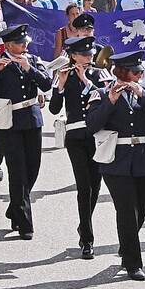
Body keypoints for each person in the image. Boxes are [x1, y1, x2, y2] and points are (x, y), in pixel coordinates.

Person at [85, 49, 145, 280]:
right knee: (126, 210)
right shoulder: (100, 92)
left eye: (141, 71)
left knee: (143, 206)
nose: (140, 75)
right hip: (116, 159)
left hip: (143, 156)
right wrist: (110, 100)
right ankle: (133, 263)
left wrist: (142, 94)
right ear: (123, 72)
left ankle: (127, 243)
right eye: (136, 72)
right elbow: (92, 125)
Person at [0, 24, 53, 240]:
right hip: (9, 122)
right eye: (20, 43)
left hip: (31, 119)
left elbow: (47, 84)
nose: (24, 45)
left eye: (25, 42)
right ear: (9, 45)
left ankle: (15, 208)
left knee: (33, 169)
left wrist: (30, 69)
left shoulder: (33, 60)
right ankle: (25, 222)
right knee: (17, 171)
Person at [49, 36, 112, 259]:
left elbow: (107, 100)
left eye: (90, 54)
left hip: (97, 136)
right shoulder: (64, 76)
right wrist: (60, 85)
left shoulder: (99, 75)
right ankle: (87, 238)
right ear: (73, 56)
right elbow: (54, 109)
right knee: (83, 187)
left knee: (95, 186)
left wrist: (86, 80)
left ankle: (84, 224)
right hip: (75, 136)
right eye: (84, 55)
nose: (89, 57)